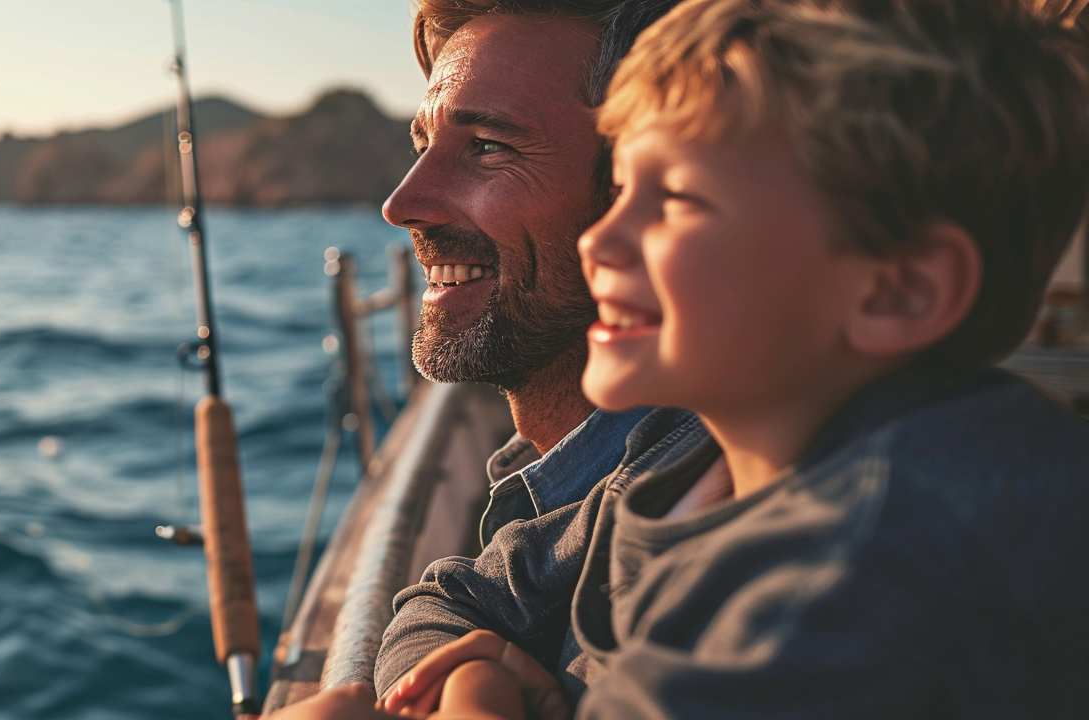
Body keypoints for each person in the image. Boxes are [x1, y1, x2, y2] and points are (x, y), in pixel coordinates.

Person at [377, 0, 1089, 716]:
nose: (602, 242)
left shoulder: (853, 584)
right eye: (624, 187)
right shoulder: (686, 466)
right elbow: (462, 594)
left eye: (678, 200)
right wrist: (484, 678)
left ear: (898, 291)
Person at [266, 1, 677, 717]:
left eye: (488, 146)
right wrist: (462, 677)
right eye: (421, 144)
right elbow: (454, 597)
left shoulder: (696, 497)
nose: (403, 204)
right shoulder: (573, 497)